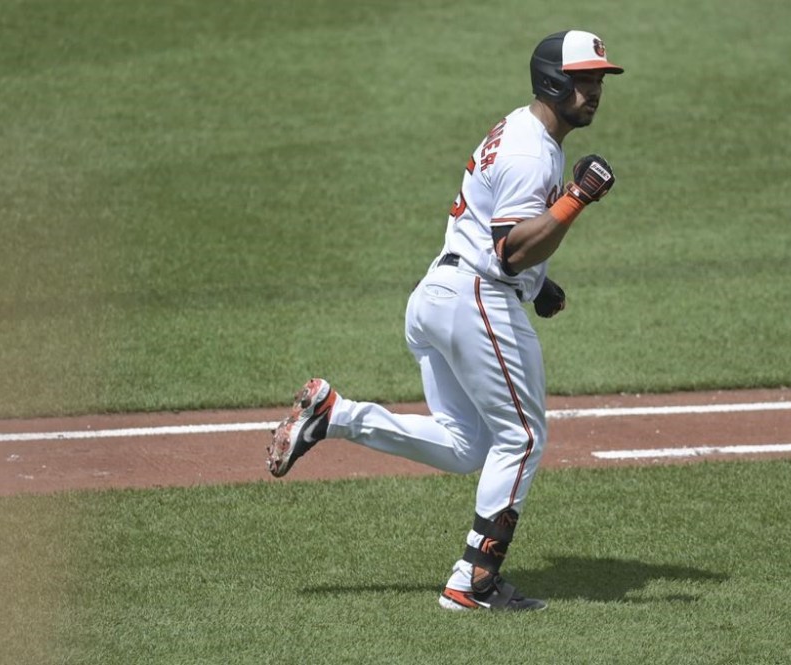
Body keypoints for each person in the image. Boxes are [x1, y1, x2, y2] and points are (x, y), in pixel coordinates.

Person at [266, 29, 624, 612]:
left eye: (600, 80)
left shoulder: (523, 130)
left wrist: (539, 284)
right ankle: (474, 580)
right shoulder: (533, 152)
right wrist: (576, 199)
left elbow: (500, 238)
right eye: (585, 80)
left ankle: (337, 415)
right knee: (524, 437)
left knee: (466, 445)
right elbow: (509, 248)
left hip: (441, 293)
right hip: (477, 297)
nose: (594, 91)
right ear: (553, 80)